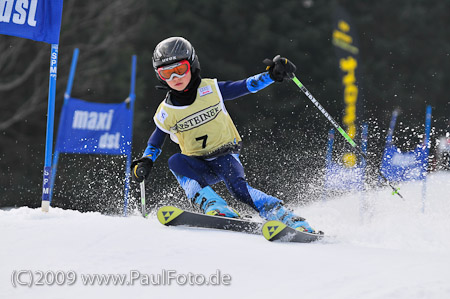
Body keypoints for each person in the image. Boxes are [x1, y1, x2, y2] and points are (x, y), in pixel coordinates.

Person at [132, 36, 315, 233]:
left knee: (239, 190)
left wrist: (272, 75)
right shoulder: (166, 111)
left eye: (180, 70)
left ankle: (287, 217)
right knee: (176, 161)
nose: (175, 78)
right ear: (160, 76)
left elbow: (246, 86)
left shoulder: (211, 90)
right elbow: (156, 141)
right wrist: (146, 160)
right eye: (167, 73)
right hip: (198, 163)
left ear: (192, 65)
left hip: (224, 154)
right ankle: (215, 206)